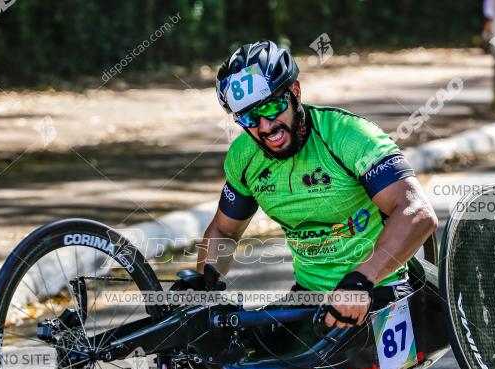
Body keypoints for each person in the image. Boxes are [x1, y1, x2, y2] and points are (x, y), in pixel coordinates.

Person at [187, 40, 437, 331]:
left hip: (376, 290)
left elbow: (417, 213)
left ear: (295, 92)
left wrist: (361, 280)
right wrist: (205, 286)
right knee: (231, 360)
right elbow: (224, 230)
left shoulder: (349, 136)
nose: (266, 126)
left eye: (272, 106)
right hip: (308, 299)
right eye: (249, 116)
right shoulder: (243, 156)